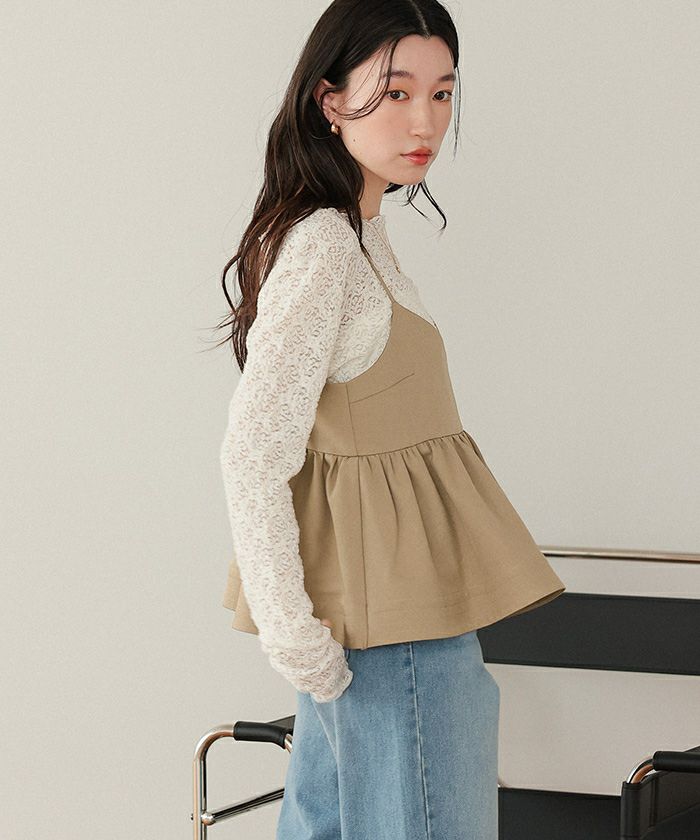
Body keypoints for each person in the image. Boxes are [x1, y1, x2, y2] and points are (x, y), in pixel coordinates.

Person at [215, 1, 566, 837]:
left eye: (442, 94)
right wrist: (291, 632)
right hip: (393, 631)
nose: (425, 122)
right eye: (397, 92)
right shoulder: (325, 245)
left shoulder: (359, 231)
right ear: (330, 100)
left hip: (388, 617)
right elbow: (254, 450)